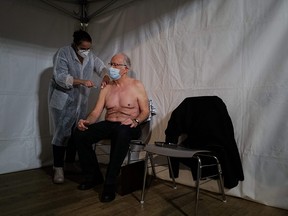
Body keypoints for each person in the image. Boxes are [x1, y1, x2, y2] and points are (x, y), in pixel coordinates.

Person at [74, 52, 150, 202]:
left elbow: (145, 111)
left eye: (116, 65)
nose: (112, 68)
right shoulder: (106, 87)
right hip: (110, 124)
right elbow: (96, 112)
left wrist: (135, 120)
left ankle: (110, 183)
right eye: (111, 64)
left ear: (125, 68)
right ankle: (93, 176)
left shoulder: (136, 85)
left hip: (129, 126)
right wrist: (87, 121)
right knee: (80, 134)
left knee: (121, 132)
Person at [48, 30, 110, 184]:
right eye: (83, 48)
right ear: (76, 45)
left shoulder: (89, 56)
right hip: (63, 100)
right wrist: (82, 81)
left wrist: (106, 76)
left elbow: (101, 66)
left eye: (89, 48)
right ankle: (58, 168)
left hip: (80, 101)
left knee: (77, 130)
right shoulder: (63, 53)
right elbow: (60, 77)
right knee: (61, 133)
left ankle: (70, 163)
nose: (86, 51)